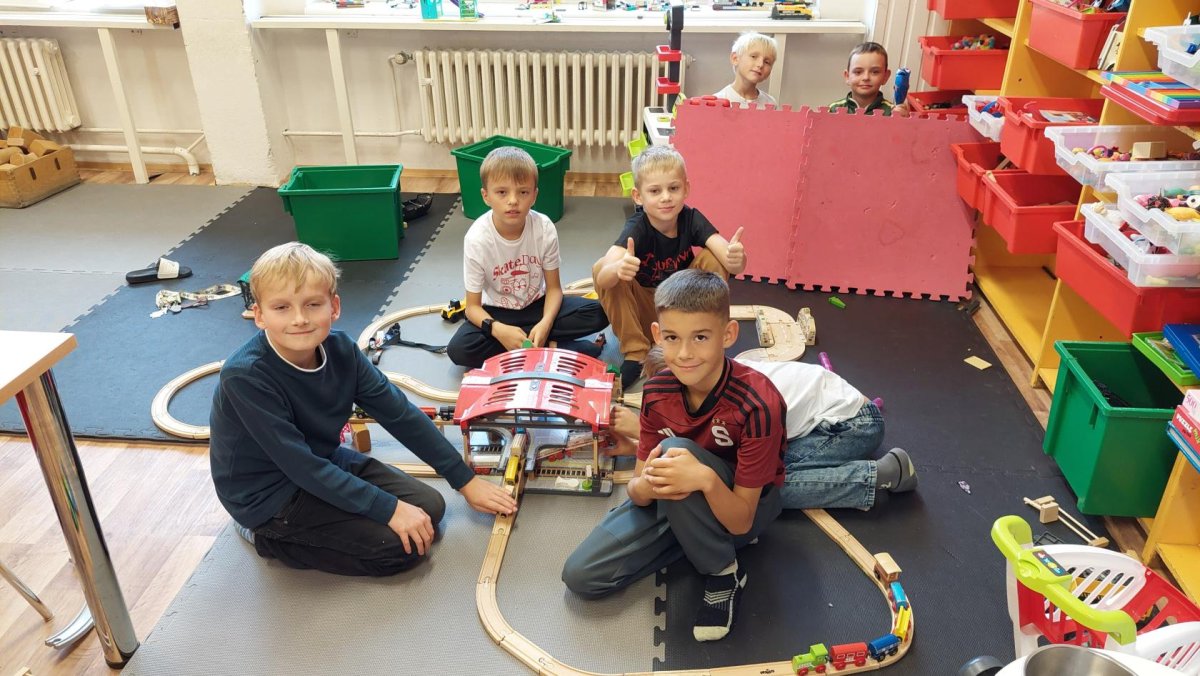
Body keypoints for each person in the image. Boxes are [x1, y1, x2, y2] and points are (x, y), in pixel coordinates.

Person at [209, 242, 518, 577]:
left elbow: (399, 414)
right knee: (401, 549)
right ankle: (264, 536)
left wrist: (464, 479)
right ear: (259, 315)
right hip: (268, 495)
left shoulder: (341, 349)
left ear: (334, 306)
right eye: (281, 307)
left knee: (431, 508)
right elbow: (300, 466)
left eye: (313, 304)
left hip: (323, 459)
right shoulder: (246, 377)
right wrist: (389, 510)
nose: (299, 319)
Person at [562, 269, 782, 642]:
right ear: (657, 334)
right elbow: (637, 488)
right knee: (581, 576)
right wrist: (646, 487)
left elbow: (742, 520)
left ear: (728, 334)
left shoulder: (759, 404)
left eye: (700, 337)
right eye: (672, 337)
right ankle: (697, 539)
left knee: (675, 451)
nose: (684, 354)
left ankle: (722, 571)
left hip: (741, 506)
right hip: (675, 499)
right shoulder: (657, 390)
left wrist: (706, 480)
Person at [640, 345, 918, 510]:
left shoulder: (738, 400)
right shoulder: (716, 376)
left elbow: (726, 453)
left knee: (763, 490)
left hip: (855, 425)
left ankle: (881, 474)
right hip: (836, 416)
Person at [592, 146, 746, 390]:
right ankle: (636, 352)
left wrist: (736, 258)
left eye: (673, 188)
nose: (666, 197)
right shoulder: (638, 227)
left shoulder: (691, 218)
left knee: (714, 259)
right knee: (605, 268)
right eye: (655, 191)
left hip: (681, 309)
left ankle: (699, 334)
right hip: (644, 311)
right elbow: (602, 276)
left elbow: (729, 259)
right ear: (638, 196)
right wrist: (619, 268)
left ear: (686, 189)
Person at [448, 146, 609, 369]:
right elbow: (472, 308)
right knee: (459, 349)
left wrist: (546, 323)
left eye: (523, 192)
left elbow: (554, 289)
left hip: (537, 305)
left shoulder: (544, 228)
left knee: (600, 313)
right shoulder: (477, 239)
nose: (513, 201)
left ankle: (529, 342)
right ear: (486, 196)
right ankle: (551, 346)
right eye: (502, 192)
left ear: (534, 195)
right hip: (497, 313)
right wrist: (499, 330)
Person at [827, 41, 910, 117]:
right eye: (858, 72)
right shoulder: (832, 110)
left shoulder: (893, 113)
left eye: (875, 72)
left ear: (885, 76)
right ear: (847, 76)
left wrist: (904, 123)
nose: (866, 77)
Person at [713, 32, 778, 108]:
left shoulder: (771, 104)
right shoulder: (717, 101)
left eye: (767, 62)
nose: (760, 64)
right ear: (735, 58)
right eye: (754, 56)